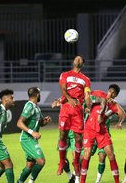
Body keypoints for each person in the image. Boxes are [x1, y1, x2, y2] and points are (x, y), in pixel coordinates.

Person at [80, 84, 126, 183]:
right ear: (108, 90)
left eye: (114, 93)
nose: (111, 94)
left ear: (116, 95)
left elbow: (123, 115)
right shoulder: (99, 94)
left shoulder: (113, 105)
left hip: (102, 131)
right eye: (110, 91)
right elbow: (87, 97)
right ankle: (82, 181)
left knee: (111, 155)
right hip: (89, 129)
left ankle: (117, 181)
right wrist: (87, 107)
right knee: (87, 155)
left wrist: (119, 121)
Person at [57, 55, 91, 183]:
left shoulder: (86, 79)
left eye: (81, 59)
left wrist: (88, 102)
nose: (78, 60)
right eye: (76, 58)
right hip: (66, 107)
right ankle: (61, 161)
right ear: (73, 61)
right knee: (62, 135)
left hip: (77, 109)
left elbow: (87, 92)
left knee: (78, 139)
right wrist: (69, 98)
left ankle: (76, 161)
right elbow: (63, 88)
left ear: (83, 63)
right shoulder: (65, 74)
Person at [16, 87, 52, 183]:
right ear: (37, 95)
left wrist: (45, 121)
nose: (40, 95)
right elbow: (19, 123)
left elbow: (41, 123)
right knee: (41, 161)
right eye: (39, 94)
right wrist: (32, 132)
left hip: (32, 139)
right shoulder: (29, 106)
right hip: (27, 138)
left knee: (30, 165)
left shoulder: (36, 107)